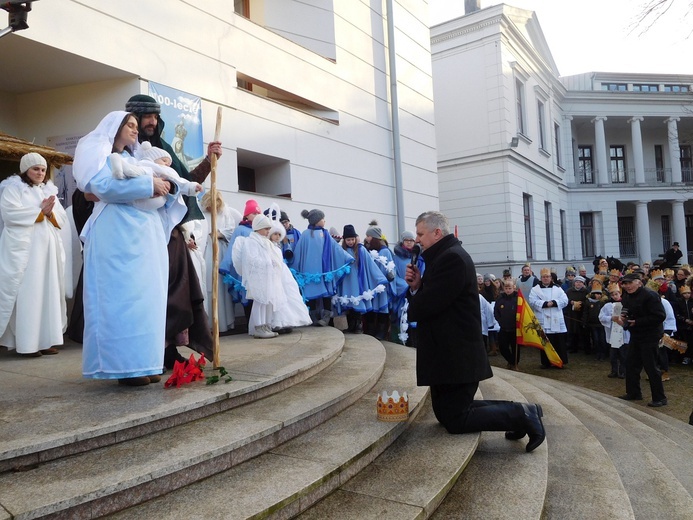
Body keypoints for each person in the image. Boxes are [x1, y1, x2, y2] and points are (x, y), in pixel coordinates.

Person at [404, 211, 545, 452]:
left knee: (456, 418)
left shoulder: (452, 259)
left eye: (420, 234)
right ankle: (523, 411)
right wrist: (417, 286)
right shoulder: (444, 256)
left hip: (456, 353)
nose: (417, 240)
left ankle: (521, 415)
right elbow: (436, 297)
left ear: (437, 233)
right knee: (447, 414)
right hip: (448, 351)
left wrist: (418, 294)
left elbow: (430, 304)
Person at [73, 111, 182, 385]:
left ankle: (145, 363)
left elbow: (157, 185)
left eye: (136, 126)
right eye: (129, 125)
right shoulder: (102, 157)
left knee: (147, 300)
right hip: (116, 235)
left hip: (145, 236)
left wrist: (166, 187)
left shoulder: (136, 160)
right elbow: (101, 187)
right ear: (115, 128)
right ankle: (122, 368)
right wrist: (148, 185)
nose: (135, 130)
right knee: (122, 300)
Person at [125, 94, 221, 369]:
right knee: (143, 295)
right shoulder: (121, 150)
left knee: (175, 296)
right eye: (146, 117)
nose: (152, 122)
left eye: (156, 117)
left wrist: (208, 160)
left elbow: (186, 181)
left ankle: (168, 352)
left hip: (169, 236)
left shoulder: (163, 148)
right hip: (137, 233)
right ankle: (141, 353)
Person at [0, 153, 68, 357]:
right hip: (27, 252)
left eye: (43, 169)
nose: (40, 173)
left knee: (49, 292)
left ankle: (46, 340)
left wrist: (49, 213)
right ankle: (28, 343)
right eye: (35, 169)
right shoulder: (14, 188)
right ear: (25, 170)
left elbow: (61, 218)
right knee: (31, 293)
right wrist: (39, 212)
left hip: (47, 252)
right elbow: (9, 213)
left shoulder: (47, 190)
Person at [291, 208, 353, 326]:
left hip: (324, 271)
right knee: (311, 294)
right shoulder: (305, 234)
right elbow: (299, 251)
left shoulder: (325, 234)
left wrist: (347, 257)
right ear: (317, 220)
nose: (324, 221)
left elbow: (335, 248)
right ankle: (313, 317)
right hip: (309, 273)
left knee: (326, 294)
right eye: (322, 219)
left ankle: (325, 317)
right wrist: (293, 265)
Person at [613, 272, 667, 407]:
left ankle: (660, 398)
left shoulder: (650, 295)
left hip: (650, 335)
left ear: (639, 282)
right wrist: (623, 317)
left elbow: (659, 316)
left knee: (651, 367)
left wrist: (637, 322)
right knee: (631, 364)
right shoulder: (626, 295)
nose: (627, 286)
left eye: (630, 283)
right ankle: (633, 393)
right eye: (625, 283)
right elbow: (626, 308)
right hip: (636, 334)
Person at [333, 224, 388, 334]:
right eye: (348, 240)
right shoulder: (340, 250)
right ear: (344, 240)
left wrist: (380, 278)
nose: (351, 242)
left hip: (357, 282)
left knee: (357, 302)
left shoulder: (360, 250)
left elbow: (370, 264)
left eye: (352, 239)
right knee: (347, 304)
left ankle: (358, 325)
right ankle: (350, 325)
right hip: (346, 281)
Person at [198, 191, 241, 334]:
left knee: (221, 286)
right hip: (205, 249)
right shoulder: (200, 211)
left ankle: (224, 323)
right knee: (208, 284)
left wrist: (219, 233)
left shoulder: (225, 212)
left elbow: (231, 230)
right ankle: (208, 324)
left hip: (220, 249)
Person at [529, 267, 569, 367]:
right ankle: (546, 362)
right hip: (543, 318)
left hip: (556, 317)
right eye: (544, 277)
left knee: (559, 342)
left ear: (551, 278)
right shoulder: (535, 289)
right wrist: (545, 304)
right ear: (541, 278)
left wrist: (554, 302)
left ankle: (560, 362)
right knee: (545, 342)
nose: (546, 278)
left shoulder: (558, 288)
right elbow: (532, 301)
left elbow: (565, 300)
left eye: (547, 277)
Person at [599, 283, 628, 378]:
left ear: (620, 293)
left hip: (623, 332)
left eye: (616, 294)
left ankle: (623, 371)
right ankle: (614, 370)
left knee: (623, 355)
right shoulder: (607, 305)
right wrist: (611, 318)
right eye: (613, 295)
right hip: (613, 333)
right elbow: (601, 317)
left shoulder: (626, 303)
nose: (615, 296)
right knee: (613, 355)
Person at [494, 279, 519, 369]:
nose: (508, 290)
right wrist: (500, 321)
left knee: (515, 347)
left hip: (515, 328)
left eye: (510, 288)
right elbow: (496, 311)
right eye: (506, 288)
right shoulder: (500, 298)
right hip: (504, 327)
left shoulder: (518, 298)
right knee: (503, 347)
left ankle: (515, 363)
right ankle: (511, 360)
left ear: (513, 288)